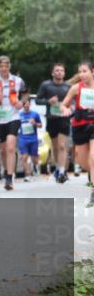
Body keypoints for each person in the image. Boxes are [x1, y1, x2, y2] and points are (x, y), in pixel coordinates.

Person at [0, 56, 27, 191]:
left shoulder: (17, 80)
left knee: (10, 147)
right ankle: (6, 171)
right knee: (3, 150)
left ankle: (10, 177)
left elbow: (26, 94)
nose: (4, 69)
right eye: (1, 66)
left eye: (6, 66)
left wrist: (22, 103)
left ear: (10, 66)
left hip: (13, 116)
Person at [60, 61, 94, 206]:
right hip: (79, 126)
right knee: (83, 162)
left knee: (93, 156)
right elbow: (63, 104)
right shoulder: (75, 88)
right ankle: (92, 174)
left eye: (85, 71)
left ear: (93, 71)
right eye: (80, 71)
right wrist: (65, 110)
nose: (82, 74)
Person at [35, 63, 73, 183]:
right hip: (52, 119)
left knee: (62, 146)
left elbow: (73, 101)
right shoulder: (46, 85)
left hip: (64, 119)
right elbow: (37, 100)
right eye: (57, 70)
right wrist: (48, 101)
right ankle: (58, 167)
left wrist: (70, 108)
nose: (59, 72)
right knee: (56, 147)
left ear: (64, 73)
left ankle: (62, 171)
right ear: (52, 73)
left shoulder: (68, 86)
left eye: (61, 70)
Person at [17, 94, 42, 181]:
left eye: (28, 104)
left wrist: (35, 123)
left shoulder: (35, 114)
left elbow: (40, 125)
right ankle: (27, 175)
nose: (27, 106)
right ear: (23, 106)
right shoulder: (19, 115)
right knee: (24, 157)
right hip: (23, 139)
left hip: (33, 139)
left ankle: (35, 166)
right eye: (25, 104)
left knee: (34, 158)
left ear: (30, 105)